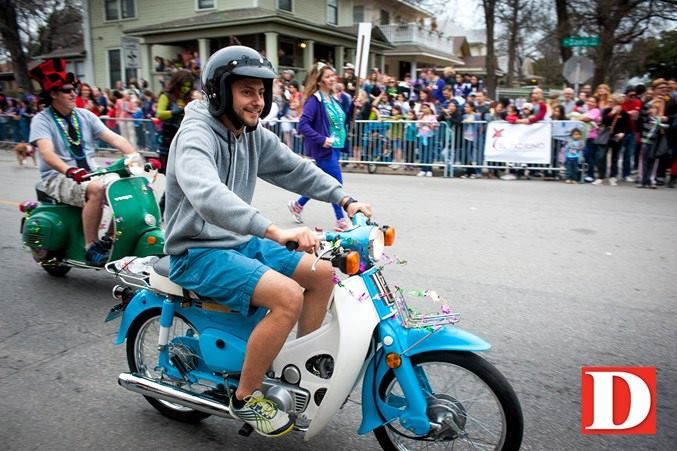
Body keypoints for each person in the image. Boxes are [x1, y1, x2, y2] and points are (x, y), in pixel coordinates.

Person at [163, 46, 372, 438]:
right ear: (220, 92)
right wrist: (274, 229)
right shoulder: (195, 134)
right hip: (195, 250)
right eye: (246, 91)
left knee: (323, 273)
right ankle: (244, 397)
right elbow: (206, 193)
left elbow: (294, 168)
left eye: (261, 92)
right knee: (287, 296)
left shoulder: (250, 133)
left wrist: (343, 197)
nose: (257, 101)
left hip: (237, 241)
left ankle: (300, 373)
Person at [28, 58, 138, 266]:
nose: (74, 94)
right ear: (53, 93)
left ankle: (111, 239)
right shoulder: (41, 120)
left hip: (90, 172)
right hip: (58, 176)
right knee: (96, 189)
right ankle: (91, 247)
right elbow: (47, 153)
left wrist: (134, 157)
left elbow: (115, 138)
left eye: (75, 89)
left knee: (124, 186)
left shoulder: (85, 116)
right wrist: (69, 170)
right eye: (67, 90)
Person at [288, 63, 354, 231]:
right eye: (327, 77)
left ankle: (297, 205)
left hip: (336, 147)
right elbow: (303, 125)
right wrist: (321, 139)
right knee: (335, 184)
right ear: (319, 81)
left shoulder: (333, 98)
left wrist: (354, 106)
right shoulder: (314, 100)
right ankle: (341, 220)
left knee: (321, 183)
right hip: (324, 149)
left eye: (333, 76)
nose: (332, 79)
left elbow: (342, 121)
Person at [156, 70, 195, 172]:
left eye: (188, 86)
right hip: (169, 138)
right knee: (170, 171)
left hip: (186, 138)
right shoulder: (166, 96)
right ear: (177, 84)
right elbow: (159, 114)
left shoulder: (189, 98)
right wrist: (173, 112)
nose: (186, 89)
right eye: (183, 86)